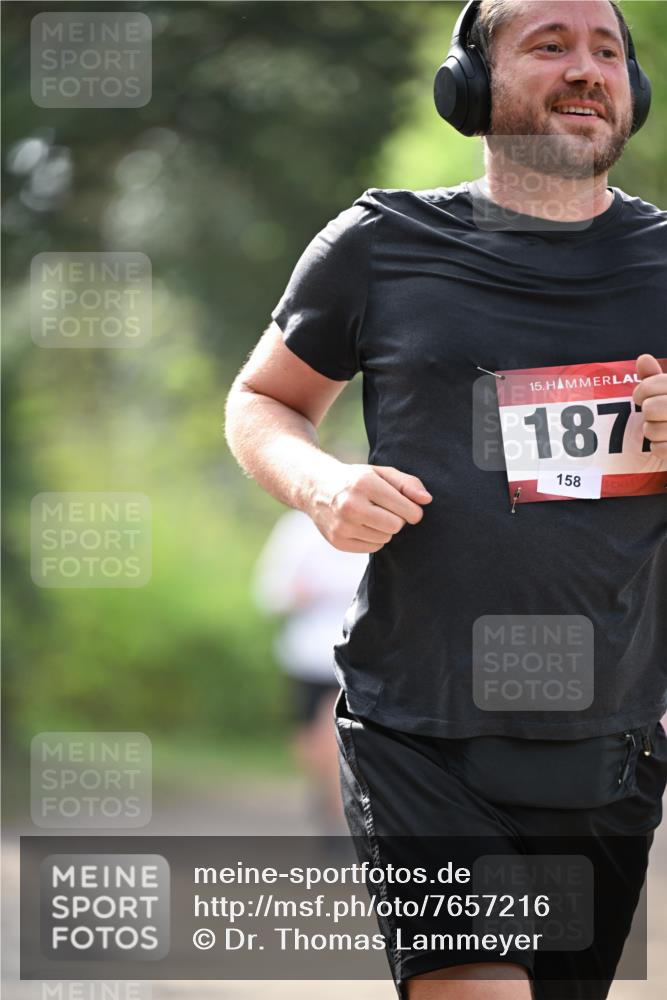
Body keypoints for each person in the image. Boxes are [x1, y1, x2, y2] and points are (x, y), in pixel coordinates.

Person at [224, 2, 667, 998]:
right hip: (418, 731)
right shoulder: (379, 242)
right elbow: (263, 400)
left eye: (607, 50)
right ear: (469, 85)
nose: (586, 68)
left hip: (608, 743)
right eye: (548, 45)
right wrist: (321, 482)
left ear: (633, 92)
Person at [251, 505, 368, 836]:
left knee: (333, 738)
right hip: (306, 654)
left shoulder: (379, 523)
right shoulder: (298, 529)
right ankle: (327, 803)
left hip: (355, 655)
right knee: (308, 743)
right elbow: (270, 591)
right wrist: (304, 593)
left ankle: (341, 820)